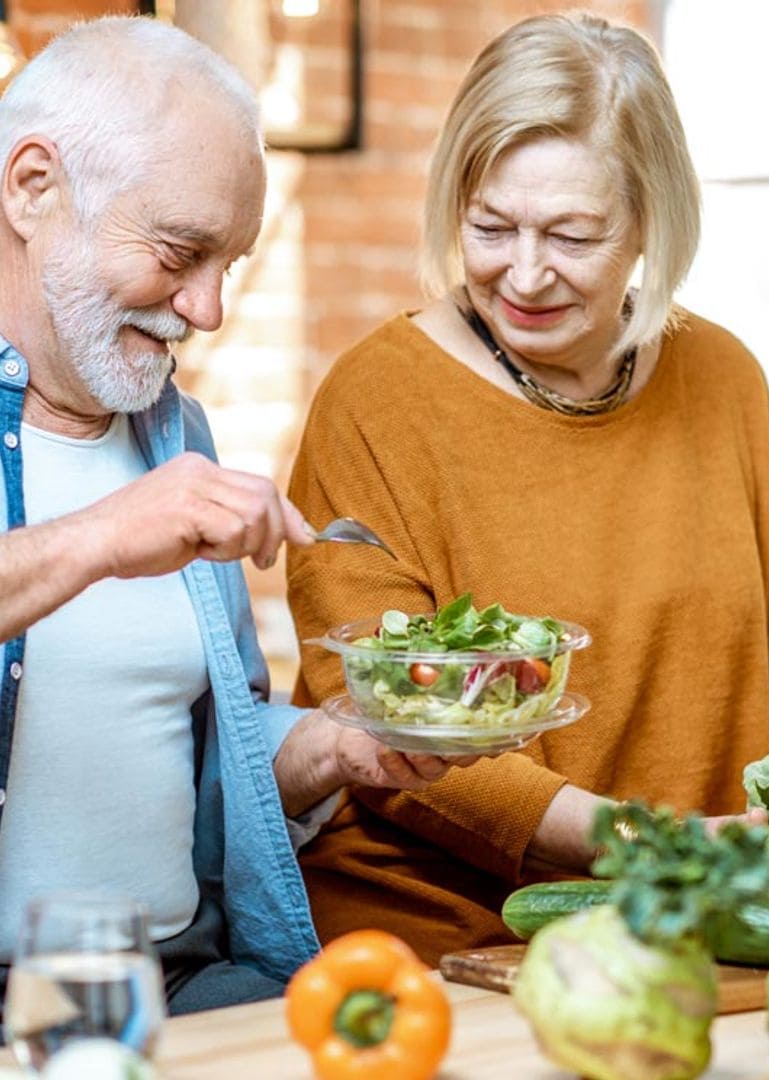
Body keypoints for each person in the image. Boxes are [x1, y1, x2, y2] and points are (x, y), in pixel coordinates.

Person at [286, 11, 769, 965]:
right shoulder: (376, 402)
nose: (523, 273)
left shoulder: (725, 380)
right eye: (490, 226)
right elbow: (381, 730)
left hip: (690, 928)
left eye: (572, 234)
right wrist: (652, 844)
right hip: (450, 945)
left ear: (651, 221)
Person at [0, 15, 474, 1015]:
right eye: (181, 250)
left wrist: (342, 750)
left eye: (233, 265)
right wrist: (101, 538)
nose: (207, 309)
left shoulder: (177, 438)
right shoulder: (146, 498)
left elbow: (202, 744)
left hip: (185, 987)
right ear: (31, 185)